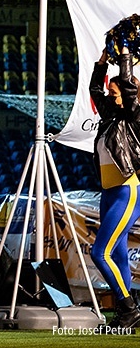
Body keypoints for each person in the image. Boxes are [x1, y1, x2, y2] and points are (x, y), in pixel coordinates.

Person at [88, 47, 140, 329]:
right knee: (117, 253)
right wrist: (102, 62)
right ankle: (125, 315)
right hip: (109, 192)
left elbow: (129, 90)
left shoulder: (134, 116)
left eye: (114, 93)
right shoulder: (109, 117)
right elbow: (95, 89)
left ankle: (129, 308)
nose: (109, 96)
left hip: (126, 189)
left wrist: (124, 57)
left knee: (100, 253)